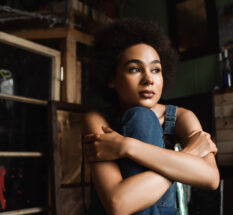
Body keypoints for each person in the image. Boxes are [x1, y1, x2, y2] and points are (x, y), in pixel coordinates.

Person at [83, 18, 220, 215]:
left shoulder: (182, 117)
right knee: (141, 118)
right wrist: (189, 155)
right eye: (135, 69)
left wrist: (126, 147)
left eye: (156, 70)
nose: (149, 80)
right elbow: (119, 204)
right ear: (111, 78)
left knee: (141, 117)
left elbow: (211, 178)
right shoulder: (97, 120)